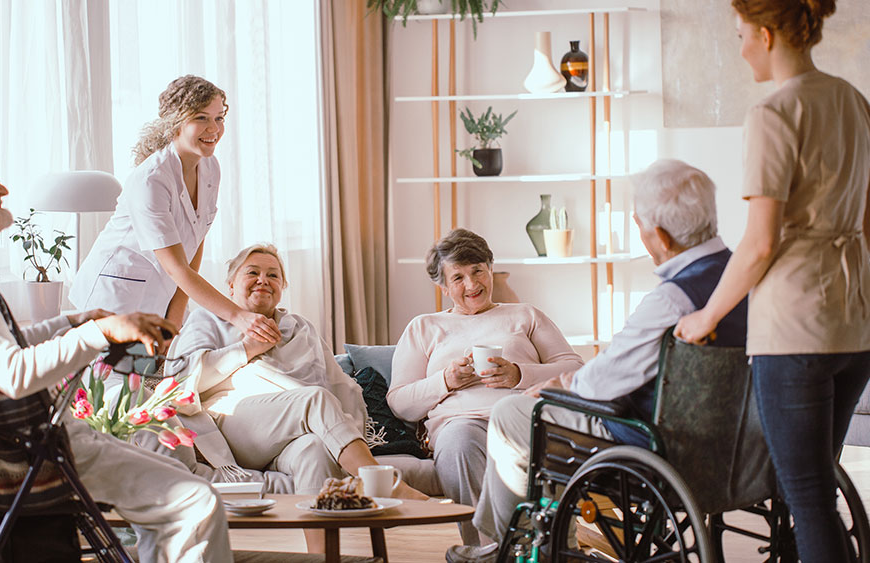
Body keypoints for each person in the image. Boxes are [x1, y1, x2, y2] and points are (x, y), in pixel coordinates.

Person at [0, 143, 232, 563]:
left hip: (19, 443)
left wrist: (74, 321)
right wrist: (98, 332)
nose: (1, 188)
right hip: (31, 450)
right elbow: (14, 372)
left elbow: (8, 344)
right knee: (196, 502)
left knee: (162, 451)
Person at [674, 0, 870, 563]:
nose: (739, 48)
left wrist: (706, 316)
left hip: (795, 332)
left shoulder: (773, 113)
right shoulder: (853, 100)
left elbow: (760, 243)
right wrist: (837, 271)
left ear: (766, 35)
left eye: (741, 34)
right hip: (858, 324)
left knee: (806, 493)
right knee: (818, 482)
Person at [445, 159, 749, 563]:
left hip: (655, 445)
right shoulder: (745, 280)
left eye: (638, 225)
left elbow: (601, 384)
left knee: (513, 414)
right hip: (738, 447)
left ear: (659, 235)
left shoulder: (670, 299)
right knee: (537, 414)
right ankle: (533, 540)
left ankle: (510, 545)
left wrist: (563, 386)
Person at [165, 243, 427, 553]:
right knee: (312, 399)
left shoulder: (299, 328)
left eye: (273, 275)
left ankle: (321, 556)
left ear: (282, 287)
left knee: (314, 450)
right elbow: (182, 382)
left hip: (296, 429)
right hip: (235, 425)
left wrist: (348, 435)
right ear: (231, 284)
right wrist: (247, 349)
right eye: (253, 272)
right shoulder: (208, 320)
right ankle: (383, 483)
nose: (263, 280)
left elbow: (339, 385)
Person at [387, 228, 584, 546]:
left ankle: (551, 545)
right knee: (459, 443)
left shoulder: (525, 315)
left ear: (490, 268)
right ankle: (488, 550)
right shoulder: (424, 327)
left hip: (522, 416)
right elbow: (399, 402)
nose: (472, 284)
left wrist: (519, 374)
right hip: (460, 424)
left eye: (478, 270)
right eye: (458, 277)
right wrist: (446, 381)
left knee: (544, 436)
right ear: (442, 286)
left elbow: (576, 371)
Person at [70, 75, 279, 346]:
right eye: (201, 118)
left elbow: (196, 240)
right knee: (114, 386)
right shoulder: (151, 180)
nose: (213, 128)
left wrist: (176, 315)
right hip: (113, 297)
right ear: (175, 122)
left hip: (160, 292)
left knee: (155, 382)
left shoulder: (210, 167)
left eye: (219, 118)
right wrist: (238, 316)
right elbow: (177, 267)